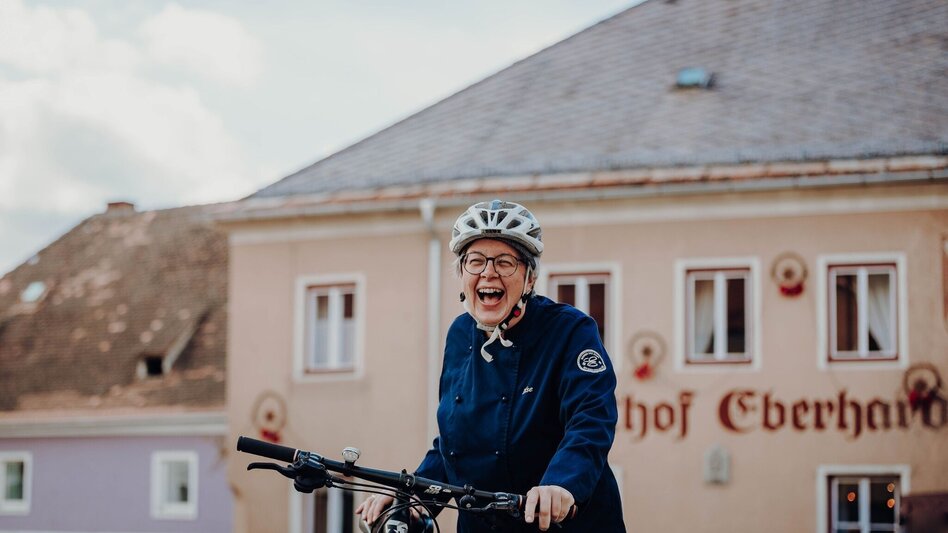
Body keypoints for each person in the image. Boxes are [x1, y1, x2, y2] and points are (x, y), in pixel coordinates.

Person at [357, 200, 625, 532]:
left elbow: (590, 421)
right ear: (462, 275)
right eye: (476, 261)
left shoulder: (570, 331)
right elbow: (453, 446)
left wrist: (561, 486)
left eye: (504, 262)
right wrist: (410, 498)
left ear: (529, 278)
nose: (488, 272)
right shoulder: (459, 336)